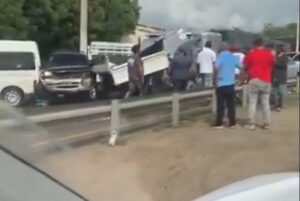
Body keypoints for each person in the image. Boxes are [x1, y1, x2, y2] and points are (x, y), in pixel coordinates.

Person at [243, 38, 275, 130]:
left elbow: (245, 66)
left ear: (255, 45)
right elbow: (271, 65)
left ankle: (251, 123)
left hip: (254, 79)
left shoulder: (251, 54)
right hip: (266, 79)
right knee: (265, 103)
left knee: (253, 102)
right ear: (262, 44)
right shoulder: (269, 54)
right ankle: (266, 123)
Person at [213, 43, 241, 129]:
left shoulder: (220, 56)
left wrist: (216, 78)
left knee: (221, 105)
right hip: (231, 84)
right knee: (231, 105)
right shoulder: (233, 57)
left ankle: (219, 123)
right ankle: (232, 123)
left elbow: (216, 68)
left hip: (221, 84)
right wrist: (241, 79)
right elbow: (242, 67)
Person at [271, 45, 289, 111]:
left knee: (281, 92)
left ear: (282, 49)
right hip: (274, 76)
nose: (277, 50)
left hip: (281, 77)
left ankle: (280, 104)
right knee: (274, 92)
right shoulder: (274, 56)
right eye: (276, 48)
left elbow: (283, 66)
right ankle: (275, 105)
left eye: (278, 49)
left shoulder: (284, 56)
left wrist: (275, 62)